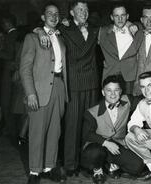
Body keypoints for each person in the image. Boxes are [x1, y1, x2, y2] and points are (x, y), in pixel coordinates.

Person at [35, 1, 100, 175]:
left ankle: (90, 164)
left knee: (90, 126)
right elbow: (42, 29)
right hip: (73, 84)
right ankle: (71, 165)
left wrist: (132, 25)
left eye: (86, 9)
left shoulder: (95, 28)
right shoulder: (64, 28)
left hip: (92, 84)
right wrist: (39, 30)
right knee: (72, 126)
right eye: (79, 10)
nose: (83, 13)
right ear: (71, 12)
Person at [20, 3, 68, 184]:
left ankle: (49, 167)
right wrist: (30, 93)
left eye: (56, 14)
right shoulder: (32, 37)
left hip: (59, 87)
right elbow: (25, 69)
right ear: (43, 17)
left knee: (55, 131)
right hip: (39, 90)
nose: (53, 16)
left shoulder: (61, 37)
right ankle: (34, 171)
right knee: (37, 132)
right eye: (50, 13)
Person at [81, 75, 145, 184]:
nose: (113, 94)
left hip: (118, 145)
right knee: (94, 153)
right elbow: (87, 134)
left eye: (116, 90)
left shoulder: (127, 100)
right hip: (98, 145)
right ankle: (97, 169)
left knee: (137, 167)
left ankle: (109, 164)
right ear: (103, 92)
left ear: (121, 91)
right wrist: (105, 143)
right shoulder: (92, 111)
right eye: (109, 90)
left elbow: (146, 99)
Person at [99, 3, 143, 94]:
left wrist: (133, 25)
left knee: (129, 104)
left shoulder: (136, 30)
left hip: (130, 77)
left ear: (127, 16)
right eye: (116, 16)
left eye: (123, 15)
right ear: (111, 17)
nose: (120, 19)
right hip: (110, 74)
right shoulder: (102, 32)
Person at [0, 14, 19, 136]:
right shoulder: (16, 34)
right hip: (11, 72)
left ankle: (9, 130)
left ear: (8, 23)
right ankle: (9, 129)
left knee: (6, 102)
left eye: (4, 24)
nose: (3, 26)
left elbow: (10, 55)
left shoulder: (11, 35)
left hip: (9, 72)